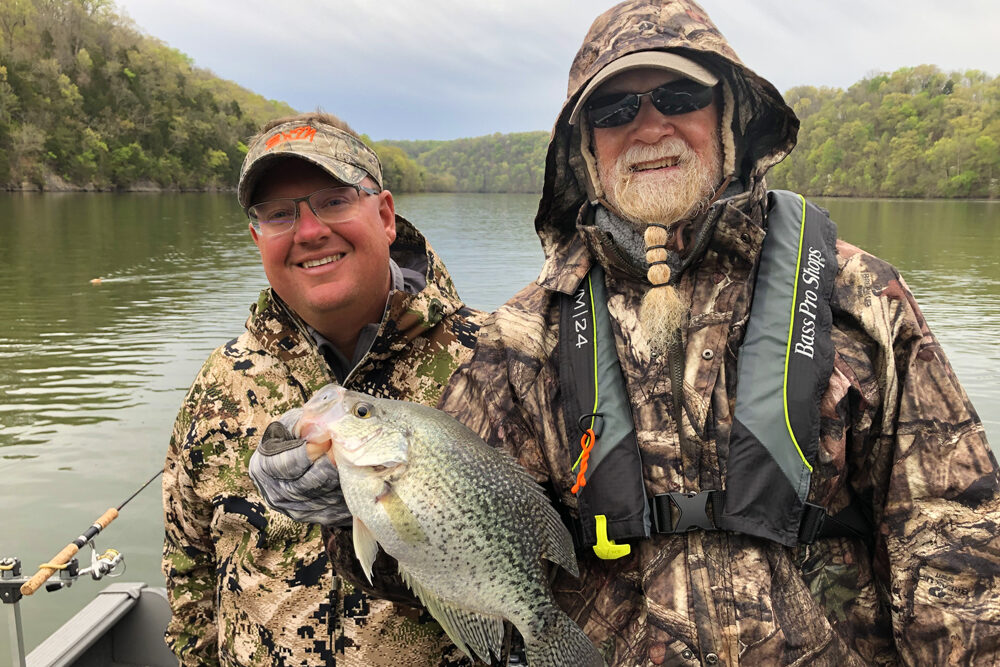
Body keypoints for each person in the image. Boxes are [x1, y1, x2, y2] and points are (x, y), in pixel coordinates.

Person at [428, 1, 998, 665]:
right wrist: (345, 506)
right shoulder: (521, 338)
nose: (648, 125)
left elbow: (955, 536)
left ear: (729, 117)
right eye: (614, 111)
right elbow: (450, 554)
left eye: (678, 95)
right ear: (586, 149)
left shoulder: (861, 296)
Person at [162, 111, 484, 666]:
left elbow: (546, 577)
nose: (309, 232)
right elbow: (188, 570)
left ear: (384, 214)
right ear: (257, 236)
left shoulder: (499, 360)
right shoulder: (221, 382)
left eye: (334, 200)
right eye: (279, 214)